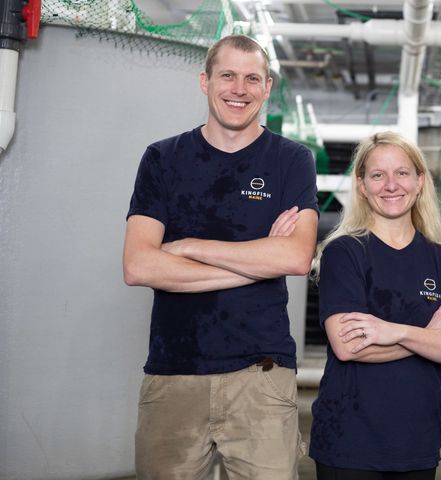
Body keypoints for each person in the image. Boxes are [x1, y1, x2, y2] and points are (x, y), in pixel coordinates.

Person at [122, 34, 318, 480]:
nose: (239, 88)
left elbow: (294, 258)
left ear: (268, 87)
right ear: (204, 81)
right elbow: (139, 266)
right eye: (227, 75)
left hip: (262, 375)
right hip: (174, 374)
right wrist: (256, 262)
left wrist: (189, 247)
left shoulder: (292, 160)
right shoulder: (162, 159)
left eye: (253, 78)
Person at [309, 131, 441, 480]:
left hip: (417, 442)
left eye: (402, 173)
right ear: (361, 185)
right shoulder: (344, 253)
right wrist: (429, 337)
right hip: (349, 441)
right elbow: (348, 345)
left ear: (419, 182)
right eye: (377, 175)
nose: (391, 185)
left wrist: (391, 332)